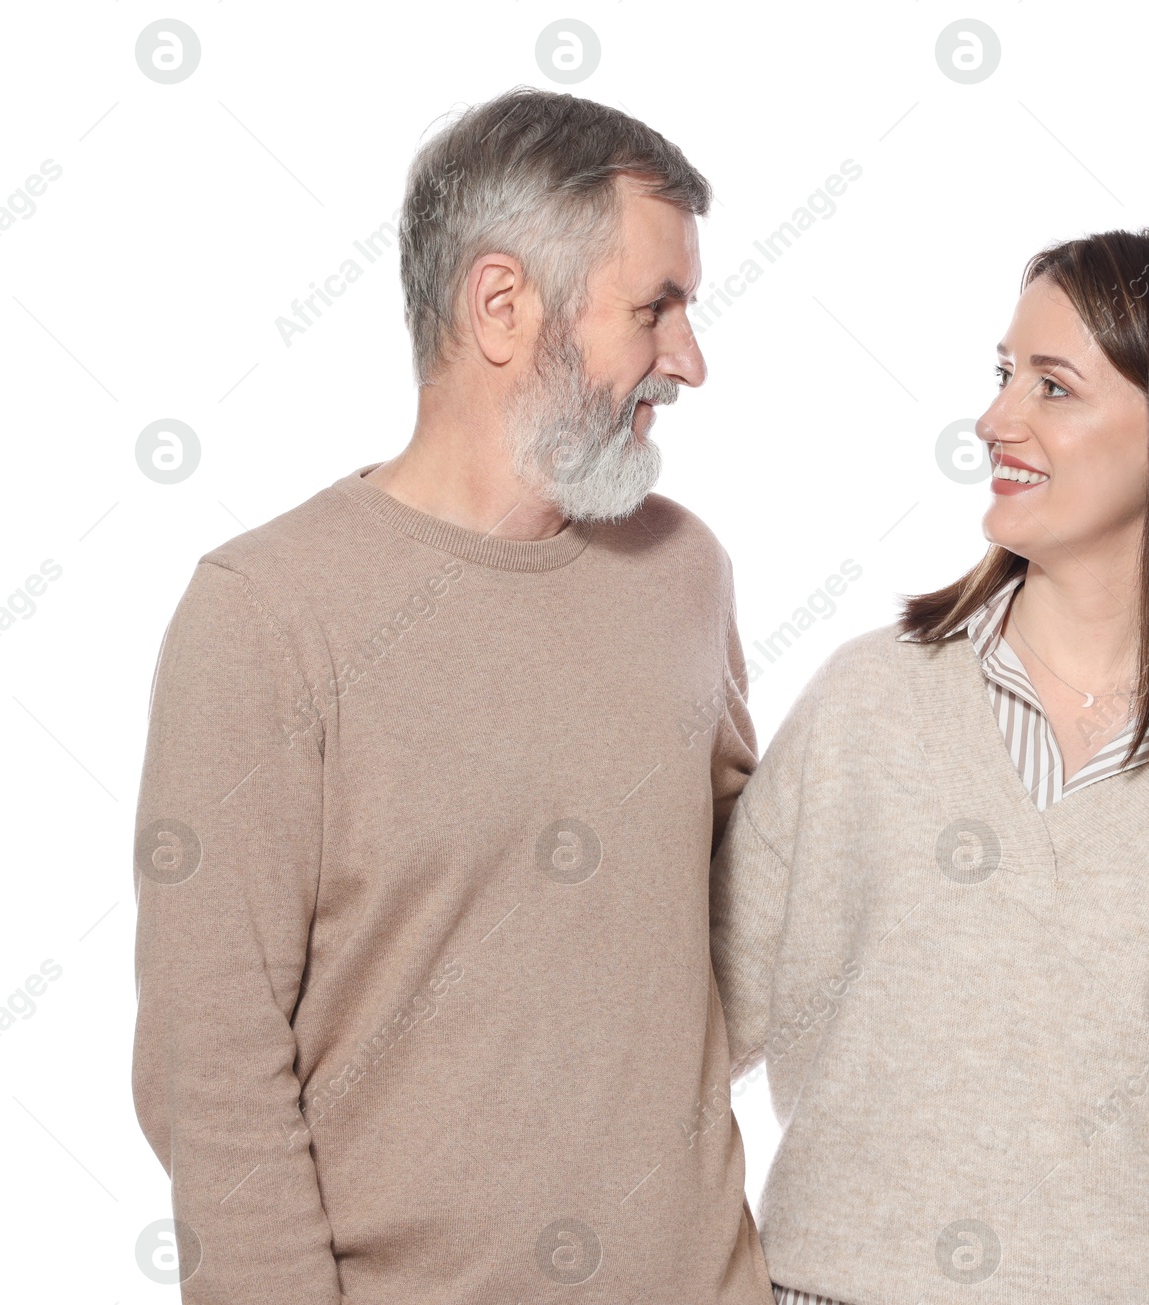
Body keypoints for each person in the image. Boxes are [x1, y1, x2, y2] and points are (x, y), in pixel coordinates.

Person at [131, 87, 773, 1303]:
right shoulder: (266, 616)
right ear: (500, 305)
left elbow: (746, 935)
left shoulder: (684, 572)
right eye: (656, 308)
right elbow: (210, 1079)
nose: (689, 358)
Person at [711, 227, 1149, 1304]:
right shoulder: (868, 702)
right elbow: (680, 1042)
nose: (996, 420)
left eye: (1052, 386)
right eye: (1002, 376)